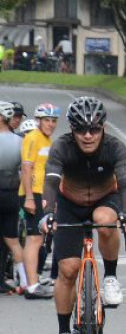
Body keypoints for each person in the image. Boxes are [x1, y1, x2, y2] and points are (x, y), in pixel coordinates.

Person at [41, 97, 126, 334]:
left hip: (105, 199)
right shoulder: (62, 147)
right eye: (81, 129)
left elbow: (125, 181)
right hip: (70, 205)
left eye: (94, 129)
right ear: (72, 129)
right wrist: (47, 214)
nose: (88, 135)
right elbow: (51, 182)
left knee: (105, 220)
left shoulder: (114, 147)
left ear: (103, 127)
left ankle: (111, 277)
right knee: (68, 270)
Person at [19, 103, 60, 298]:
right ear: (38, 121)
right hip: (33, 193)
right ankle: (32, 286)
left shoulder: (47, 140)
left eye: (53, 121)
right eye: (47, 120)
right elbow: (26, 168)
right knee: (34, 239)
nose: (51, 124)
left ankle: (34, 281)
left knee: (39, 238)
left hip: (43, 192)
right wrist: (29, 197)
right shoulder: (32, 137)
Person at [0, 101, 26, 294]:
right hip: (11, 193)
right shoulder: (19, 141)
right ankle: (24, 280)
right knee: (10, 238)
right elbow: (24, 170)